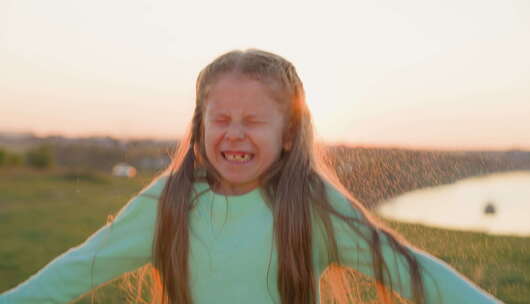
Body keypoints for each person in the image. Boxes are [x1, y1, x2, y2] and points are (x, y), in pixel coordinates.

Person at [0, 49, 503, 304]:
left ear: (288, 134)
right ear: (200, 126)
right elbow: (76, 269)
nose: (234, 135)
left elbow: (413, 270)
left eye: (254, 121)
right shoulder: (168, 202)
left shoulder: (313, 206)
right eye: (221, 119)